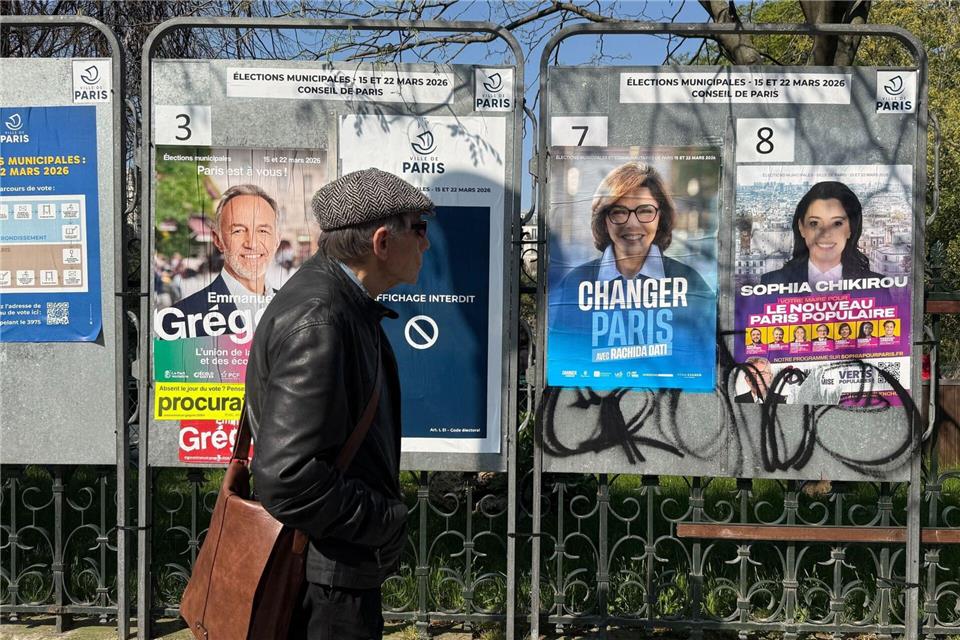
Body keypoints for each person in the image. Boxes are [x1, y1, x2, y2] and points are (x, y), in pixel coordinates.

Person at [246, 169, 433, 640]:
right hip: (326, 583)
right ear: (382, 241)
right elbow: (287, 477)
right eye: (420, 228)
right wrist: (383, 521)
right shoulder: (323, 318)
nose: (426, 244)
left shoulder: (342, 303)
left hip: (331, 566)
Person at [549, 162, 714, 373]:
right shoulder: (576, 283)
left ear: (660, 216)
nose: (632, 224)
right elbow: (563, 361)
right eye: (619, 212)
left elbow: (704, 362)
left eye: (645, 211)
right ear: (604, 219)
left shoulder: (690, 283)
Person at [155, 184, 281, 338]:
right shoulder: (180, 320)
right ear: (218, 240)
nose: (252, 243)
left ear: (277, 241)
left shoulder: (300, 310)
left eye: (263, 231)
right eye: (238, 231)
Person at [760, 181, 883, 287]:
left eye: (837, 223)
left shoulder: (876, 285)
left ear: (851, 229)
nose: (825, 234)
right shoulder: (771, 284)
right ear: (801, 227)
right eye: (814, 223)